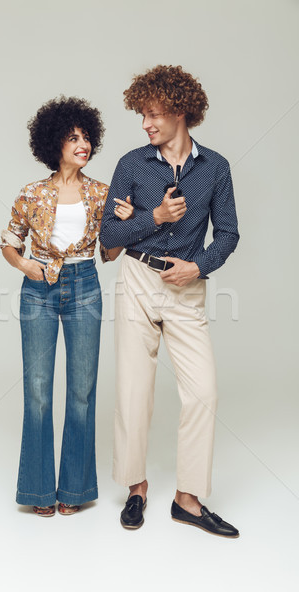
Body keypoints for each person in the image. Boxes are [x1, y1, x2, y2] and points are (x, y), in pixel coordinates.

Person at [100, 65, 240, 536]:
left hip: (186, 287)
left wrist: (199, 266)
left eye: (154, 113)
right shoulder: (131, 164)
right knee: (134, 392)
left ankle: (188, 499)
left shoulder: (215, 168)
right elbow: (108, 238)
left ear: (180, 111)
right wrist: (154, 217)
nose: (146, 123)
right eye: (142, 114)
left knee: (203, 391)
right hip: (137, 278)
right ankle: (135, 487)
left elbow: (229, 233)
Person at [0, 96, 133, 517]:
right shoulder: (32, 192)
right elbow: (9, 241)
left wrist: (125, 226)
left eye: (87, 137)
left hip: (84, 286)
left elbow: (108, 254)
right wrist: (25, 266)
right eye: (74, 137)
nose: (83, 144)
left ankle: (74, 490)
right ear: (53, 142)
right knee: (38, 392)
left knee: (82, 391)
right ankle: (39, 491)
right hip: (38, 289)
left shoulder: (101, 193)